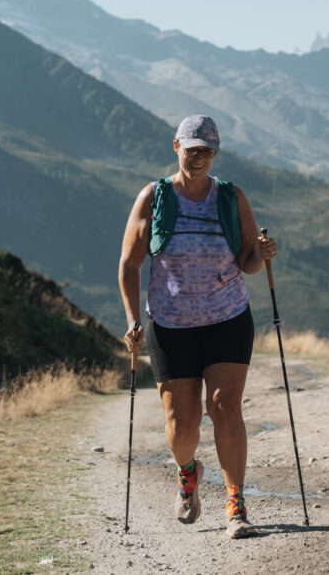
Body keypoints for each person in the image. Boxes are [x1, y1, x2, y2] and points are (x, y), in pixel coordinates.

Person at [118, 115, 276, 538]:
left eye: (207, 150)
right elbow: (130, 264)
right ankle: (188, 472)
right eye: (192, 150)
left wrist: (263, 254)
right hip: (170, 324)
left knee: (225, 406)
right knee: (181, 424)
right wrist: (133, 319)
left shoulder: (230, 197)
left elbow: (248, 262)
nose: (199, 157)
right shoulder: (154, 197)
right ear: (177, 148)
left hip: (227, 318)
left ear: (215, 152)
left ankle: (235, 505)